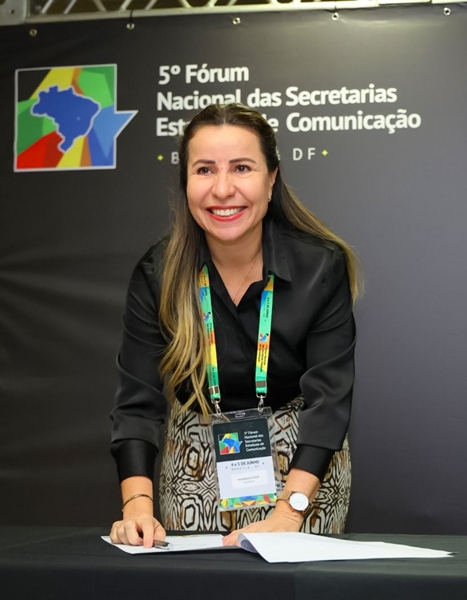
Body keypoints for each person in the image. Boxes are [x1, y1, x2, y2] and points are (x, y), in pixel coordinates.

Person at [108, 103, 360, 547]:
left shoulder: (320, 266)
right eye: (204, 170)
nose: (222, 189)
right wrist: (138, 509)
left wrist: (289, 512)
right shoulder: (157, 273)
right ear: (185, 181)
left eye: (242, 168)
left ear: (272, 178)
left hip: (301, 468)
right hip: (195, 459)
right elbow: (137, 404)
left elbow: (329, 400)